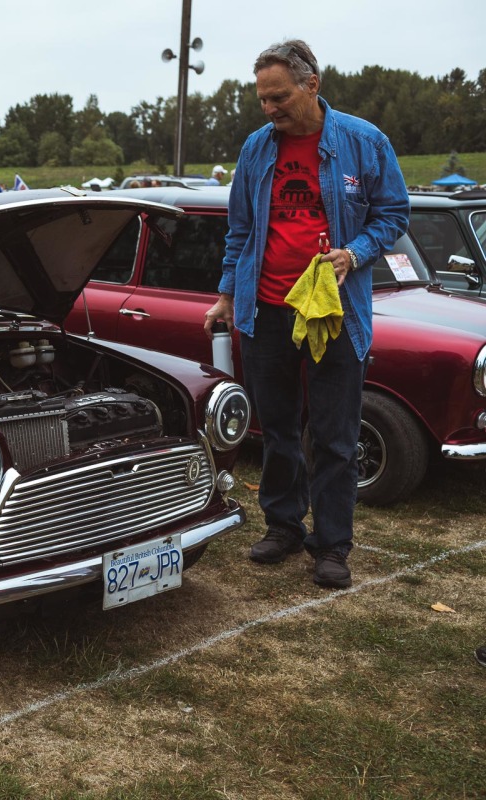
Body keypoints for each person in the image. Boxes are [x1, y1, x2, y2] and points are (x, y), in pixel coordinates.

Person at [203, 39, 409, 589]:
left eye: (279, 97)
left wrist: (354, 253)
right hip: (267, 310)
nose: (268, 108)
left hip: (334, 314)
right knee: (277, 430)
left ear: (311, 84)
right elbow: (241, 230)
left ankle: (332, 544)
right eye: (262, 99)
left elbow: (393, 214)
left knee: (335, 435)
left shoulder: (365, 142)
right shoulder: (256, 148)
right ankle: (283, 526)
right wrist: (227, 295)